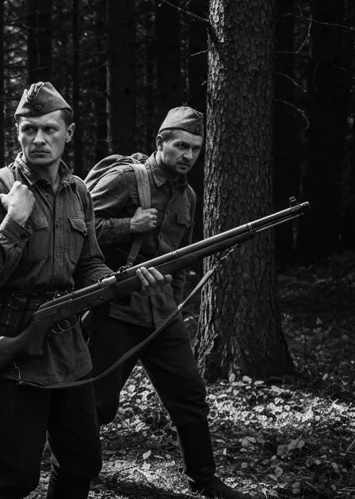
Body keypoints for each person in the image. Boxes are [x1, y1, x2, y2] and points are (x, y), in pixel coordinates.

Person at [0, 82, 171, 499]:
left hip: (69, 347)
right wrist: (14, 223)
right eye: (28, 129)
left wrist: (119, 281)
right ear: (18, 131)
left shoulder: (78, 191)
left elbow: (89, 261)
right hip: (14, 346)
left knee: (81, 463)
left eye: (49, 129)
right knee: (14, 478)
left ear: (69, 133)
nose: (38, 139)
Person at [87, 107, 252, 499]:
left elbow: (183, 256)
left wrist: (174, 302)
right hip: (115, 311)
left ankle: (203, 478)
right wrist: (129, 225)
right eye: (181, 145)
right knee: (96, 402)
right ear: (160, 142)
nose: (188, 155)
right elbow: (77, 229)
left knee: (190, 395)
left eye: (195, 148)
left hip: (161, 314)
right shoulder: (127, 179)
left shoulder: (188, 195)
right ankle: (81, 469)